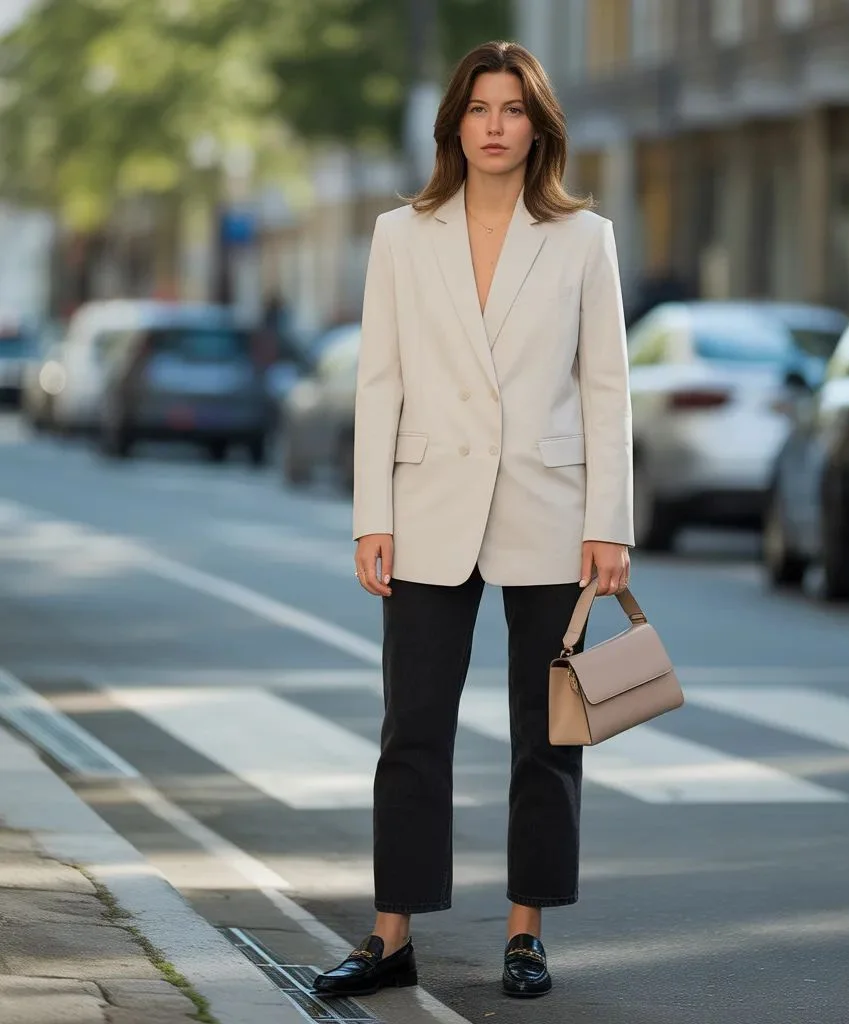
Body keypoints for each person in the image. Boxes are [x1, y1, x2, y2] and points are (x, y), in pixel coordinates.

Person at [313, 40, 634, 1001]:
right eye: (480, 108)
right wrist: (374, 514)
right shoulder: (400, 235)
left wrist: (609, 521)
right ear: (455, 122)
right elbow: (381, 384)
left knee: (548, 732)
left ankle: (526, 934)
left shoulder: (585, 239)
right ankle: (389, 935)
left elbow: (608, 389)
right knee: (412, 727)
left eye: (513, 109)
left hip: (550, 505)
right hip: (427, 508)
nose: (495, 126)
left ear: (539, 125)